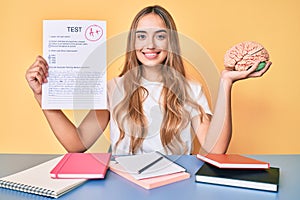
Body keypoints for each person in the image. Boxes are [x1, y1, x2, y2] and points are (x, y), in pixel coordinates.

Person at [25, 5, 271, 155]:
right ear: (133, 42)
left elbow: (215, 149)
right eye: (142, 36)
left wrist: (226, 82)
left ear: (170, 42)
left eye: (160, 36)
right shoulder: (113, 88)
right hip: (123, 188)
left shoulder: (191, 90)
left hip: (175, 187)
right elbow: (77, 143)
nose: (150, 45)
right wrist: (42, 96)